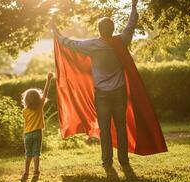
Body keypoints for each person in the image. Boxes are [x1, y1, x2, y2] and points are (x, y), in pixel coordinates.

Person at [51, 0, 138, 167]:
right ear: (112, 30)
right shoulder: (121, 41)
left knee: (104, 129)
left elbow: (69, 43)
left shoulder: (93, 45)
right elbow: (131, 25)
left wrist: (55, 31)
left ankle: (107, 161)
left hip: (102, 94)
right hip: (119, 92)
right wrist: (133, 6)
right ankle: (124, 160)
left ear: (99, 30)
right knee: (121, 126)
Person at [21, 72, 54, 179]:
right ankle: (36, 171)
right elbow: (45, 93)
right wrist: (48, 79)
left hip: (27, 134)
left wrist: (24, 134)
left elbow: (25, 124)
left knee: (28, 154)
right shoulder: (40, 106)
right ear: (37, 98)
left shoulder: (24, 111)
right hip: (37, 133)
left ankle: (26, 172)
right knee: (36, 153)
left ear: (26, 100)